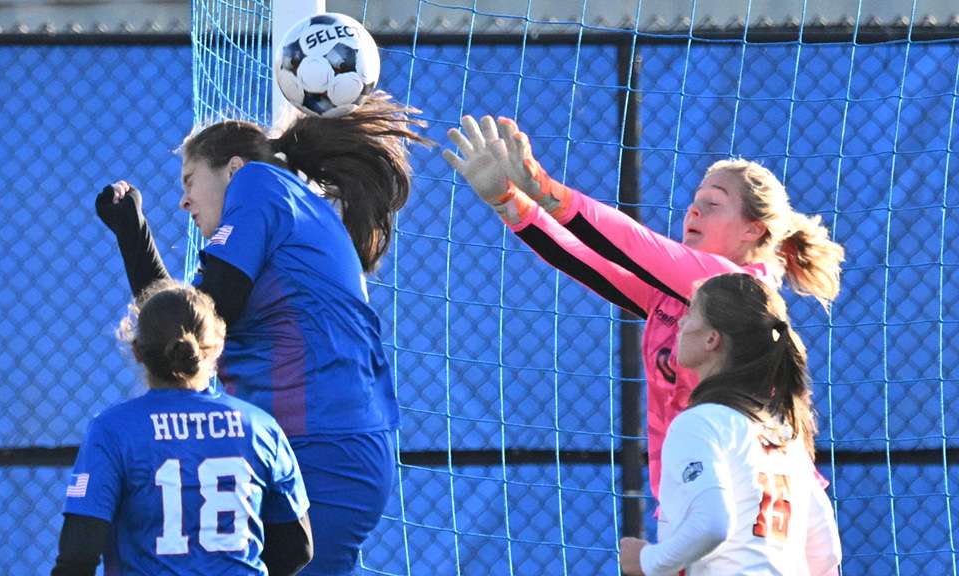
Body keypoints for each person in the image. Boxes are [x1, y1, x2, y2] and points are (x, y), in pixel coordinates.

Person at [94, 92, 429, 575]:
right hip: (313, 447)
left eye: (190, 180)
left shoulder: (258, 184)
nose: (184, 199)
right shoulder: (280, 206)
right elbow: (188, 327)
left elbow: (196, 318)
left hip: (324, 448)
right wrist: (132, 232)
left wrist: (134, 235)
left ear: (232, 167)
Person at [441, 115, 845, 498]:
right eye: (694, 201)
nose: (694, 210)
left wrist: (545, 190)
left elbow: (631, 243)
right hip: (695, 493)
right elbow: (584, 259)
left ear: (752, 230)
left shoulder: (742, 289)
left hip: (753, 498)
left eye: (714, 203)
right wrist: (508, 200)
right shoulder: (676, 294)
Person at [51, 281, 311, 575]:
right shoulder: (261, 428)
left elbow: (78, 554)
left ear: (137, 350)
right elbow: (297, 548)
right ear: (216, 344)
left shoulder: (113, 430)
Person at [618, 273, 842, 575]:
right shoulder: (784, 435)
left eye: (691, 313)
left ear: (713, 339)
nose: (681, 324)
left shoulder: (701, 423)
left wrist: (646, 560)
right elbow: (825, 552)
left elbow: (712, 523)